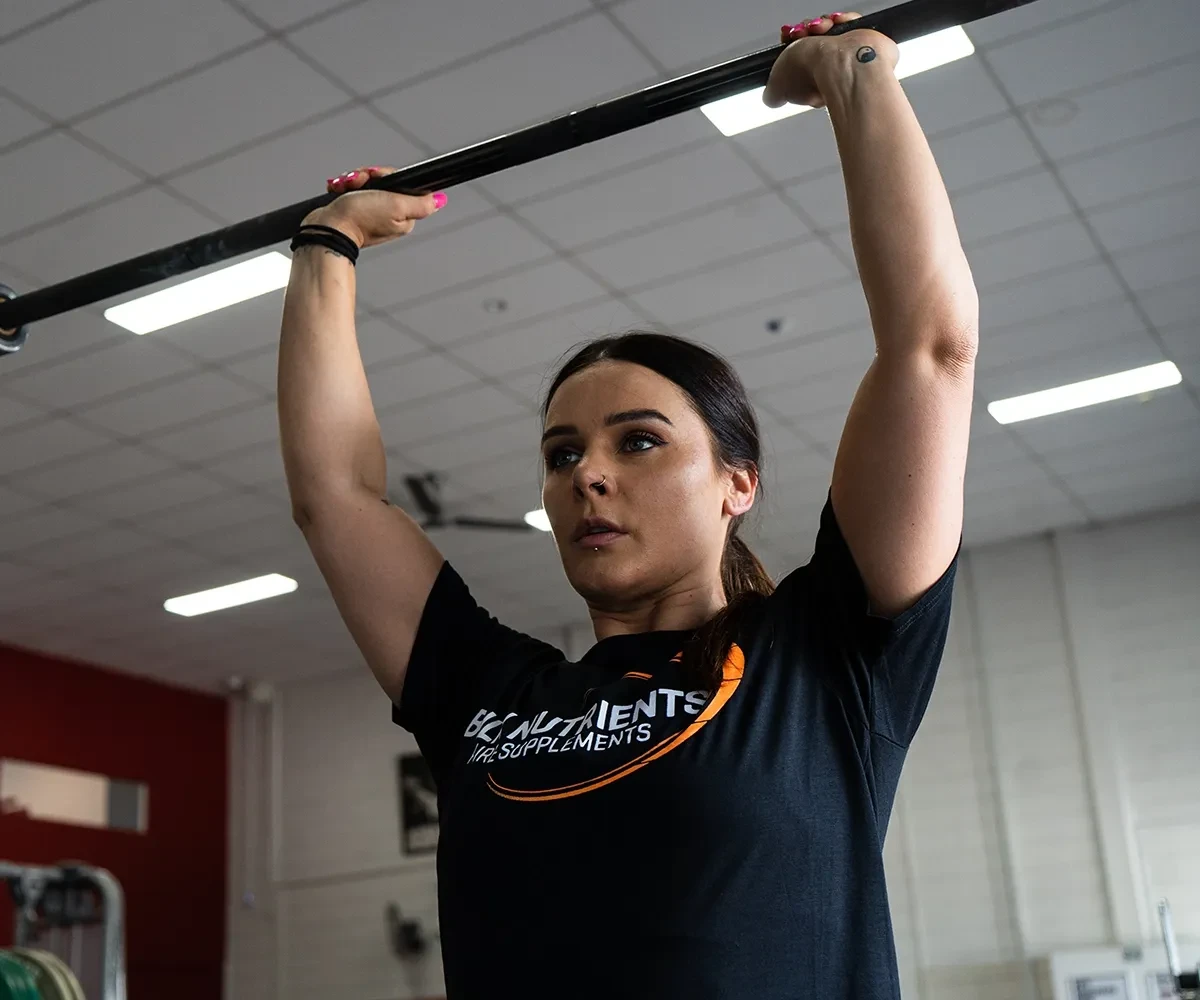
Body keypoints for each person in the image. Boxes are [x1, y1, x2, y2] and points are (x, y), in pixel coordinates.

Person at [278, 12, 977, 999]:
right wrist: (326, 247)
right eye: (562, 453)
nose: (586, 476)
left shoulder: (822, 658)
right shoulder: (492, 699)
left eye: (637, 441)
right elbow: (335, 497)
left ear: (739, 481)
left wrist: (860, 80)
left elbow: (931, 349)